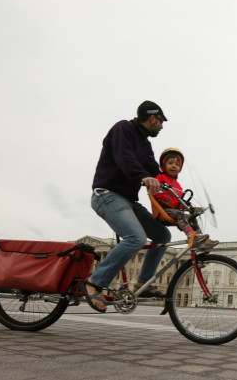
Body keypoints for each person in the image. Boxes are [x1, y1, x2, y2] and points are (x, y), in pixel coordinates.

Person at [83, 100, 172, 313]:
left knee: (163, 236)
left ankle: (143, 284)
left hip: (129, 201)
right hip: (107, 195)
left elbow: (155, 171)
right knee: (136, 238)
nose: (161, 126)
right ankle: (94, 282)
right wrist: (144, 177)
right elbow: (125, 158)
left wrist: (173, 194)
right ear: (152, 118)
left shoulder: (146, 145)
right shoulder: (123, 129)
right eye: (161, 122)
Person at [154, 148, 219, 250]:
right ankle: (191, 235)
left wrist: (186, 205)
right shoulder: (160, 178)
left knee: (192, 216)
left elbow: (179, 200)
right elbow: (158, 194)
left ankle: (201, 240)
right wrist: (172, 201)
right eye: (170, 163)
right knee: (181, 214)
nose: (174, 166)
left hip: (174, 210)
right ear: (163, 165)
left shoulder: (178, 185)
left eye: (177, 164)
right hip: (163, 210)